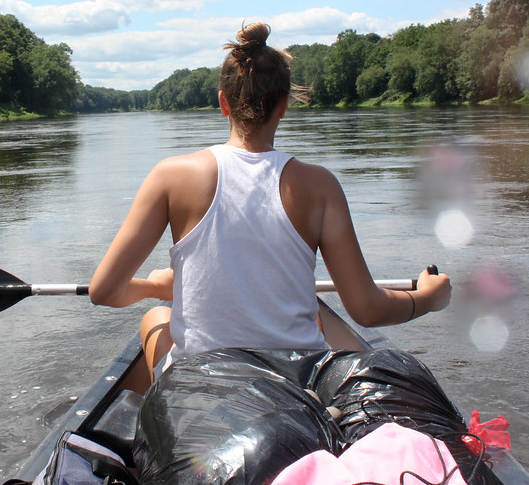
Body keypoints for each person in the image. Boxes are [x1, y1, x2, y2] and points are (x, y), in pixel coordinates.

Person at [89, 22, 452, 382]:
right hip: (295, 388)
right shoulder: (320, 185)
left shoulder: (170, 174)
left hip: (204, 390)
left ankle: (151, 426)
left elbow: (104, 291)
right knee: (318, 317)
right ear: (283, 106)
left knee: (156, 318)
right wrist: (426, 298)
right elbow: (368, 309)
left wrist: (155, 286)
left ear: (222, 103)